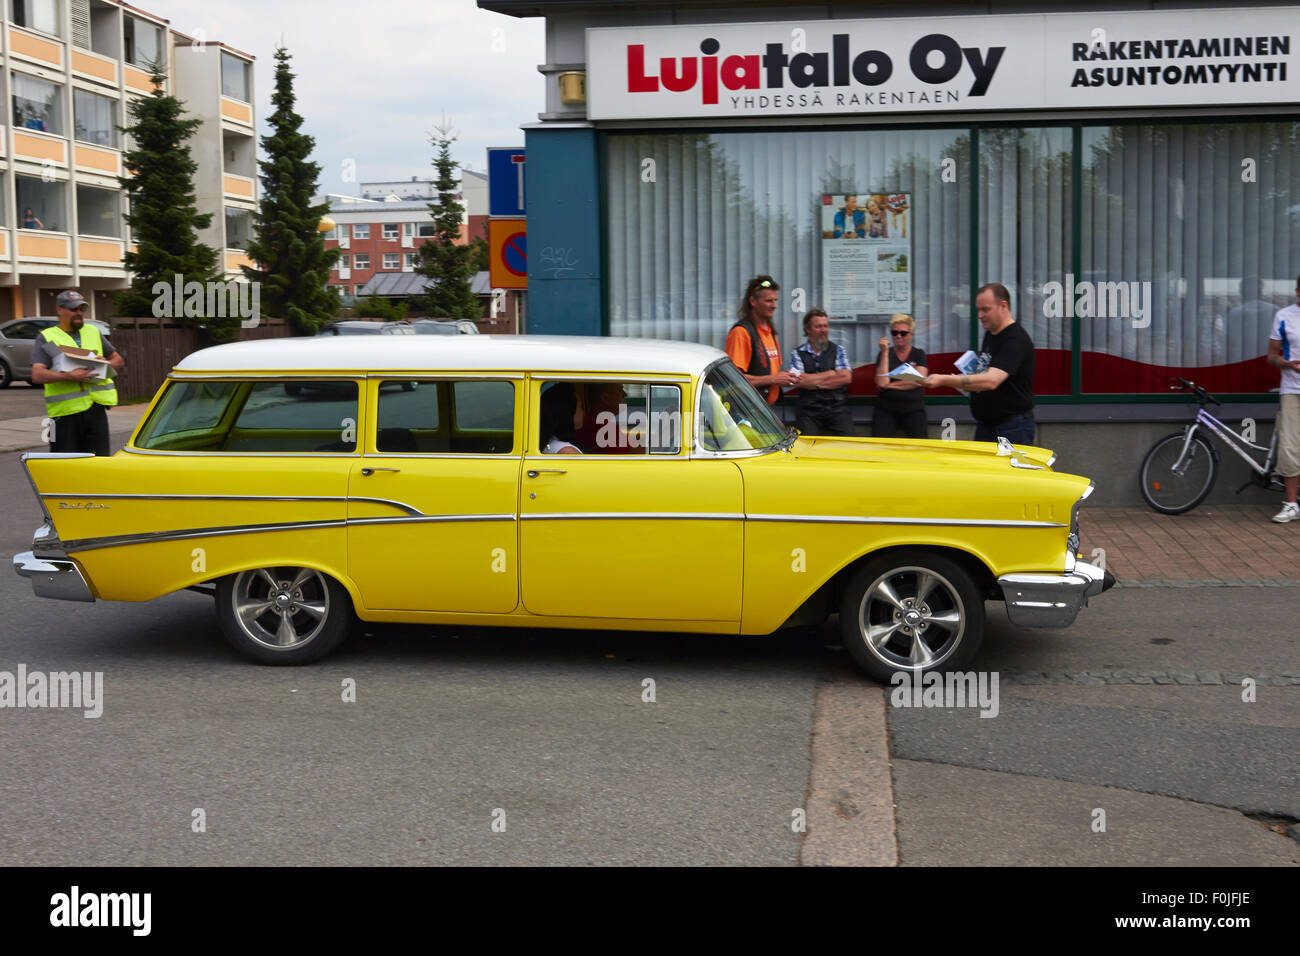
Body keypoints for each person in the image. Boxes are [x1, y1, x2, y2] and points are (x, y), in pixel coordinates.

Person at [923, 282, 1036, 445]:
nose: (980, 315)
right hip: (987, 424)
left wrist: (943, 380)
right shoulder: (991, 333)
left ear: (1003, 306)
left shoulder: (1015, 339)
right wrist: (967, 383)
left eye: (985, 309)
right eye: (978, 309)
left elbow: (991, 380)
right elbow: (984, 375)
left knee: (1005, 472)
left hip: (1012, 427)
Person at [30, 290, 123, 456]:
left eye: (82, 309)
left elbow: (118, 360)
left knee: (98, 463)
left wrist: (104, 364)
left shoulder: (93, 332)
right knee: (63, 464)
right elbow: (37, 374)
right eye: (74, 309)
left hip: (96, 410)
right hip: (63, 416)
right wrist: (69, 376)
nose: (79, 313)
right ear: (60, 310)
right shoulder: (48, 337)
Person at [725, 275, 796, 405]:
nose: (774, 305)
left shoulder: (771, 332)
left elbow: (771, 373)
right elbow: (734, 380)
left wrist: (785, 378)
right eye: (769, 300)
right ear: (753, 301)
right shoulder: (741, 332)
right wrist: (774, 379)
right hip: (747, 410)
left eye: (776, 300)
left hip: (766, 409)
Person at [1266, 275, 1300, 523]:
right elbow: (1271, 355)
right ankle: (1291, 504)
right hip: (1292, 389)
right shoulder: (1284, 316)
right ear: (1298, 291)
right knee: (1290, 447)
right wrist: (1286, 363)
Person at [788, 308, 853, 436]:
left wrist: (814, 384)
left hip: (837, 409)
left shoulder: (838, 350)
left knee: (851, 444)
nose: (823, 330)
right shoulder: (797, 353)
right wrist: (830, 374)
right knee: (806, 445)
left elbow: (846, 377)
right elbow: (798, 381)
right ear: (808, 329)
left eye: (825, 326)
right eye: (818, 327)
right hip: (809, 411)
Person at [872, 313, 929, 439]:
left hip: (913, 407)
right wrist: (885, 352)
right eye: (894, 332)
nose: (898, 336)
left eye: (903, 333)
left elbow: (919, 380)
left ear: (911, 335)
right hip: (886, 407)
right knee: (878, 445)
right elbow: (881, 382)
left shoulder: (918, 354)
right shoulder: (884, 354)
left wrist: (890, 385)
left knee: (921, 446)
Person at [539, 381, 584, 455]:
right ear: (568, 413)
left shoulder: (550, 442)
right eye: (581, 407)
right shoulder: (569, 452)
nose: (583, 412)